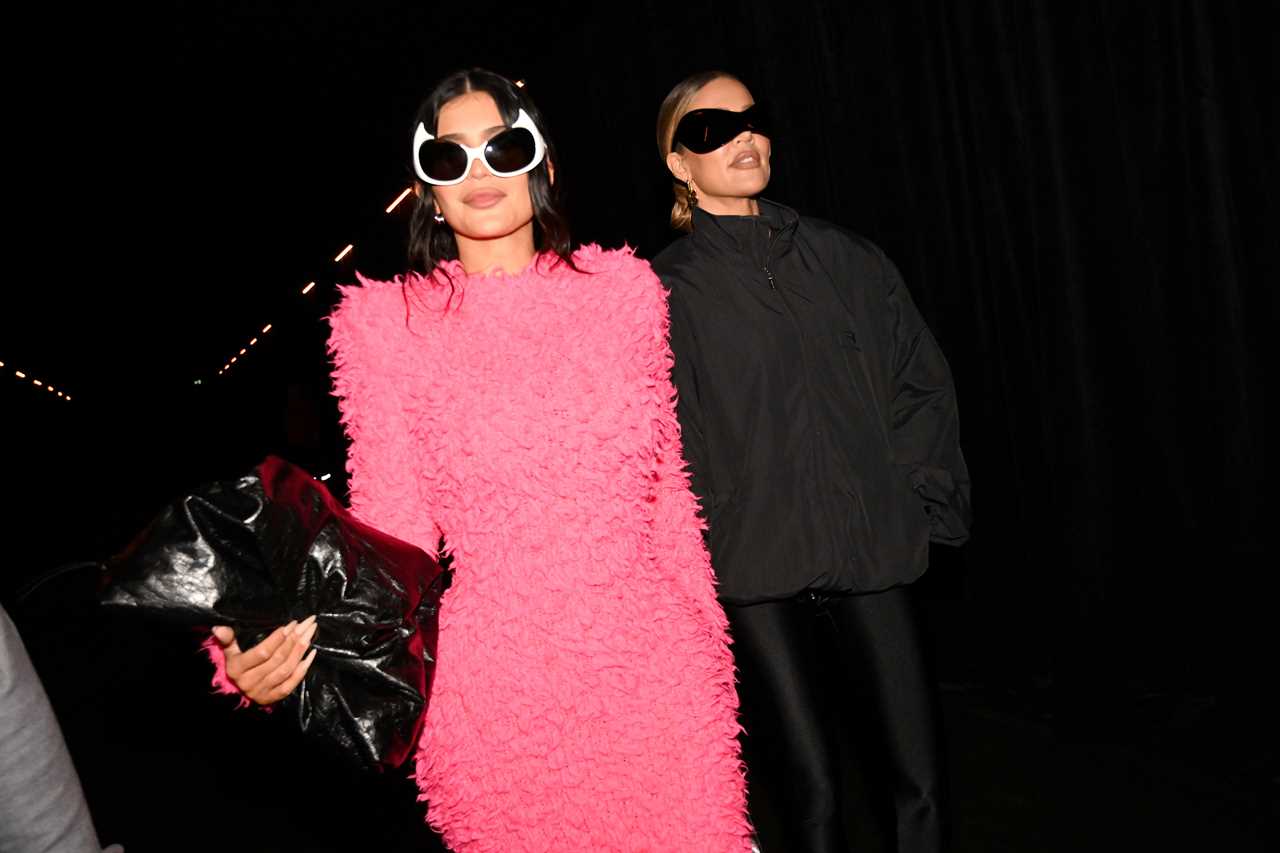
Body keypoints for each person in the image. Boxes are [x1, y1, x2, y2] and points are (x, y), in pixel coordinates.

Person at [204, 68, 752, 852]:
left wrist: (708, 653)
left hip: (658, 678)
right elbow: (392, 535)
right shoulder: (387, 326)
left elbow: (667, 500)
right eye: (449, 157)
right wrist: (268, 641)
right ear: (427, 188)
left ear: (544, 164)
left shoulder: (624, 292)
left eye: (503, 146)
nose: (480, 171)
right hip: (496, 694)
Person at [651, 70, 972, 853]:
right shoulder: (662, 291)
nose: (741, 138)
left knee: (920, 785)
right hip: (753, 565)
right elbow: (657, 437)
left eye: (752, 120)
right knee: (812, 792)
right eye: (709, 129)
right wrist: (700, 546)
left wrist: (919, 506)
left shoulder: (849, 260)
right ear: (677, 163)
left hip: (873, 547)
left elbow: (918, 381)